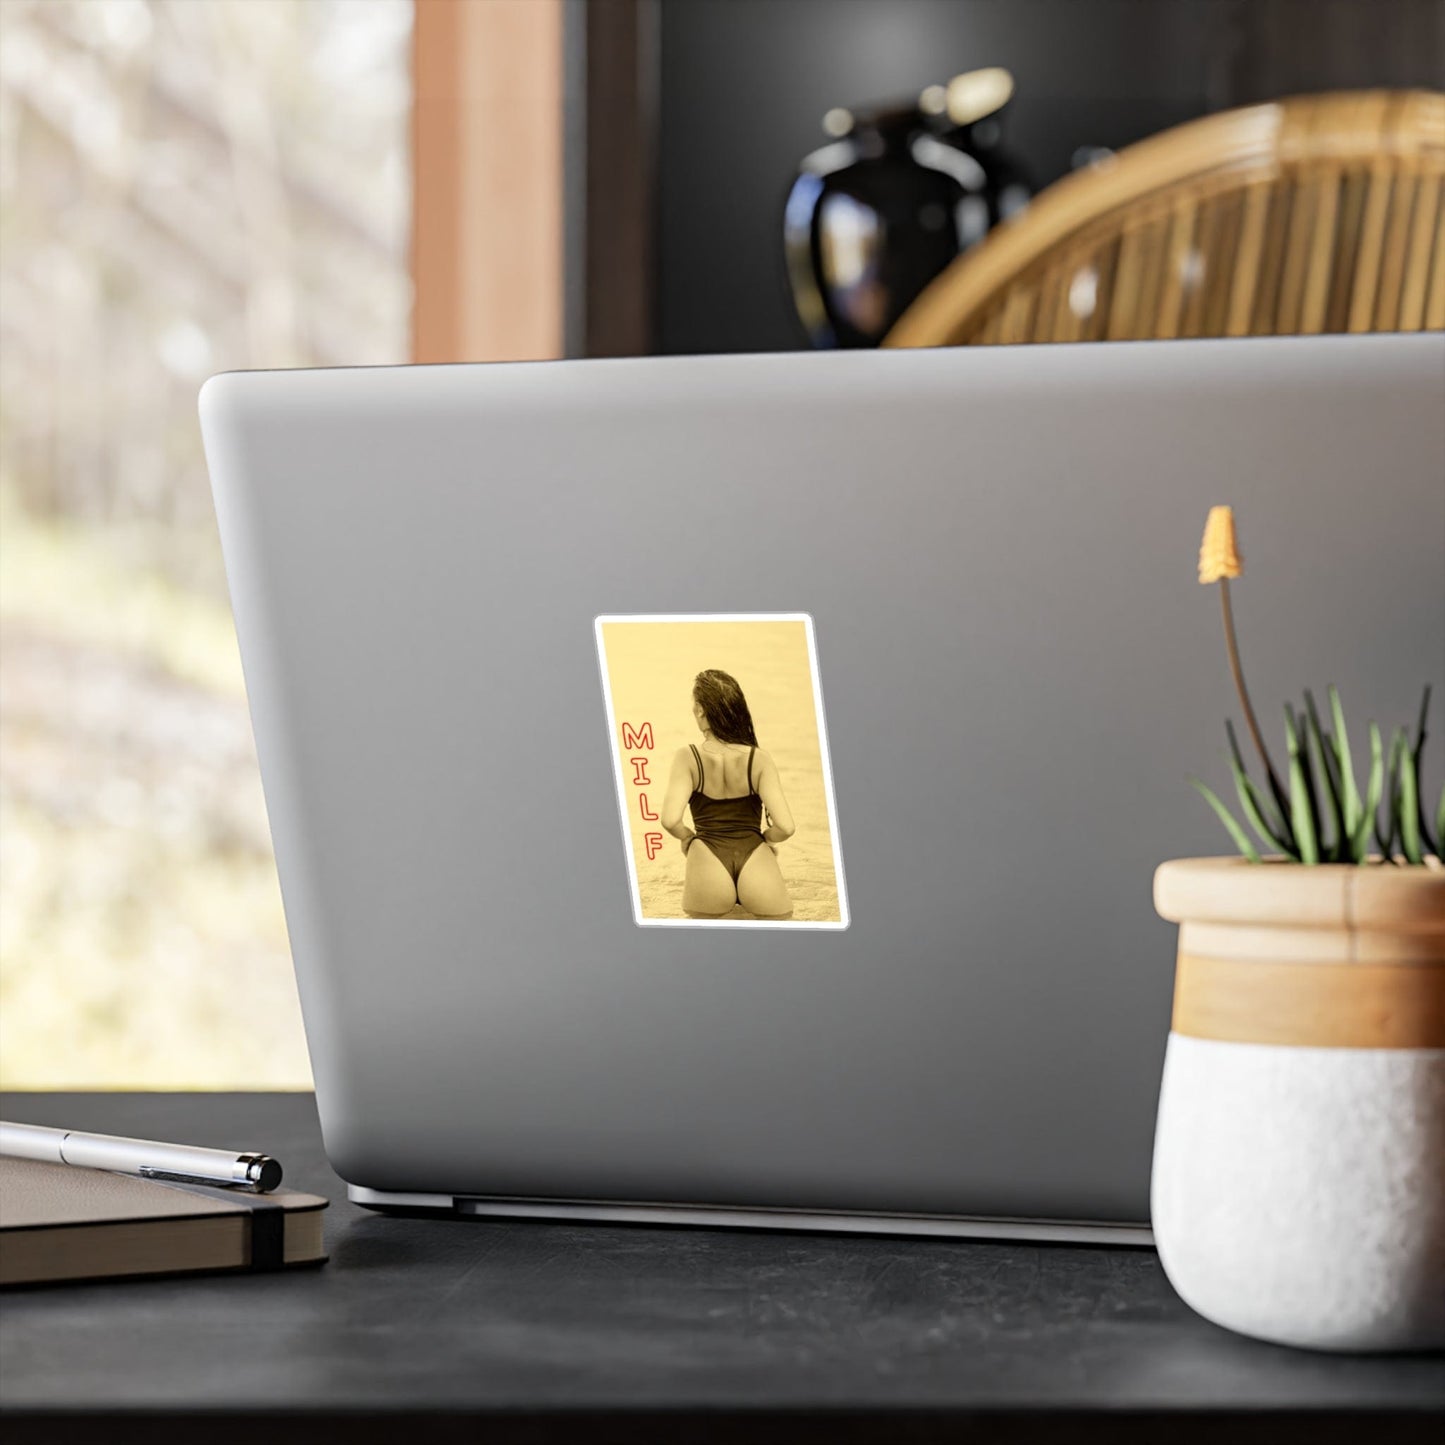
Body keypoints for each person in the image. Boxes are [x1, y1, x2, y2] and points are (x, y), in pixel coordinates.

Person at [659, 669, 795, 919]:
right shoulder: (759, 759)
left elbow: (669, 820)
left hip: (707, 857)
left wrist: (688, 838)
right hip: (755, 857)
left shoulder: (687, 757)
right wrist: (765, 839)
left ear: (700, 710)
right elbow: (786, 827)